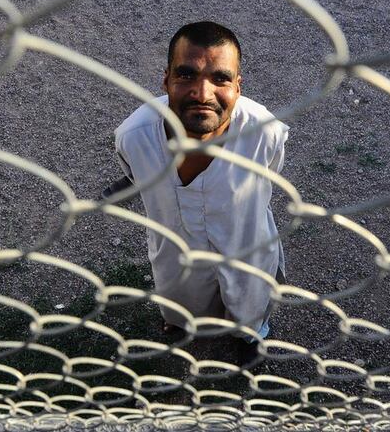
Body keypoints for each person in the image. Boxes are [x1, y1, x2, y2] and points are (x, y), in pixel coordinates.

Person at [107, 21, 288, 366]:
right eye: (186, 75)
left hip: (246, 245)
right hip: (176, 249)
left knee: (250, 300)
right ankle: (180, 323)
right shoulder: (136, 135)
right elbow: (134, 172)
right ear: (166, 80)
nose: (202, 94)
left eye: (220, 78)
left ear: (238, 86)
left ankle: (250, 335)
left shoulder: (264, 132)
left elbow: (270, 172)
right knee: (179, 296)